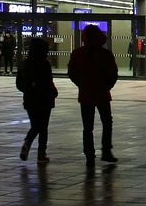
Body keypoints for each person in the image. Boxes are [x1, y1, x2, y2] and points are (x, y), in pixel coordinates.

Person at [68, 24, 119, 167]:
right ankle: (106, 151)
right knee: (107, 122)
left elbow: (72, 73)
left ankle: (89, 154)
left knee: (87, 126)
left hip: (85, 94)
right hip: (102, 93)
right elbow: (113, 74)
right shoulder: (105, 54)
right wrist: (106, 86)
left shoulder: (78, 53)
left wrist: (81, 84)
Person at [16, 37, 58, 164]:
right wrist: (53, 92)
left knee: (35, 125)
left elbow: (19, 84)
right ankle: (41, 153)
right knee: (43, 127)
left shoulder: (24, 64)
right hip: (44, 99)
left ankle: (27, 144)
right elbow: (48, 82)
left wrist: (28, 89)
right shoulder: (44, 63)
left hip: (30, 99)